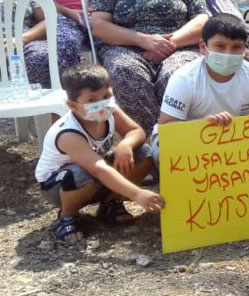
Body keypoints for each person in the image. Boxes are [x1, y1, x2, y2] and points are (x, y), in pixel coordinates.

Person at [91, 0, 210, 134]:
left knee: (177, 76)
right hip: (126, 47)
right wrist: (143, 40)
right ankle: (148, 141)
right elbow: (99, 25)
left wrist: (168, 44)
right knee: (126, 72)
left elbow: (202, 19)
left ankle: (181, 140)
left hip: (178, 46)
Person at [34, 63, 164, 243]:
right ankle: (66, 217)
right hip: (59, 186)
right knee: (79, 173)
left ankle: (110, 203)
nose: (101, 104)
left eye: (106, 96)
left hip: (94, 176)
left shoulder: (109, 111)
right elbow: (98, 169)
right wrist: (136, 194)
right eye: (91, 101)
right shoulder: (68, 133)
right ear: (73, 106)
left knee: (143, 152)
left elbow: (136, 131)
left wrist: (126, 144)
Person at [153, 14, 249, 163]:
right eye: (220, 46)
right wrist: (202, 127)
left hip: (231, 146)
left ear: (244, 49)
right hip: (192, 146)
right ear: (203, 47)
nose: (228, 54)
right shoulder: (185, 78)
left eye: (236, 47)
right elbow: (167, 127)